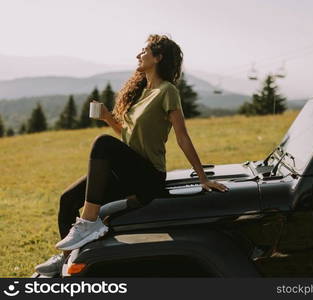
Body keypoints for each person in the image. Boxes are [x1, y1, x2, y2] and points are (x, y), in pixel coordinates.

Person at [35, 34, 229, 276]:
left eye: (145, 51)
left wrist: (202, 178)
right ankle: (66, 258)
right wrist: (108, 117)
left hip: (149, 177)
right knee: (67, 199)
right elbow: (127, 136)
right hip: (128, 172)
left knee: (102, 143)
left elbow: (182, 136)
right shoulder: (140, 93)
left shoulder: (167, 91)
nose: (139, 55)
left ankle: (89, 222)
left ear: (158, 57)